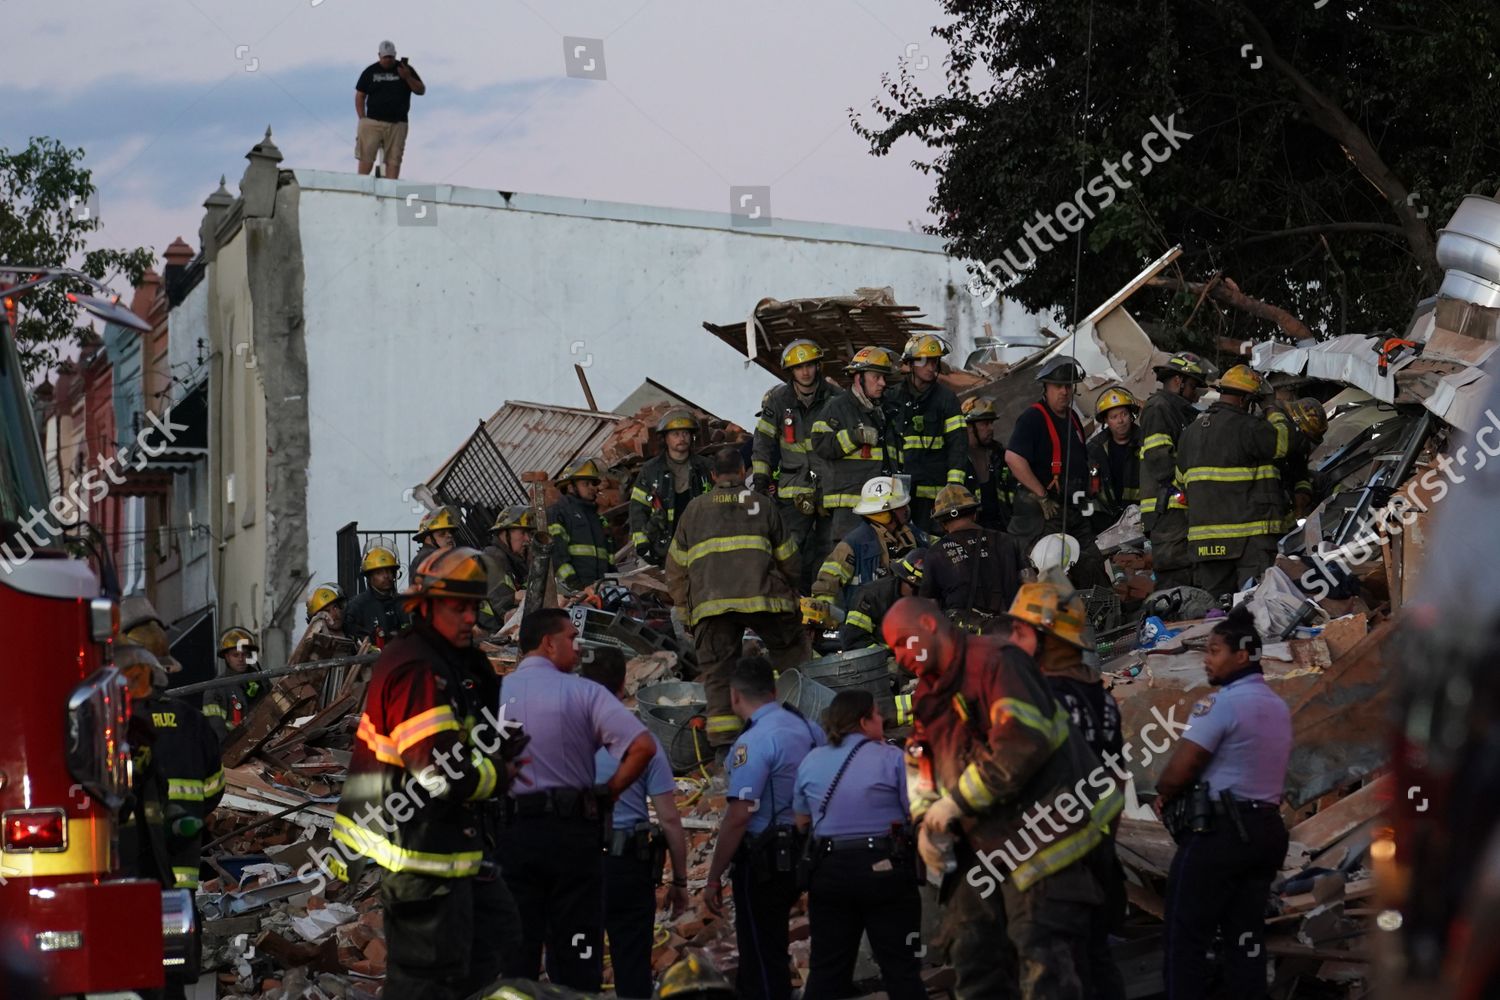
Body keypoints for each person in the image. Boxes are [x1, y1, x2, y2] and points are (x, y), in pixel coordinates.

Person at [882, 597, 1122, 1000]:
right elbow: (919, 760)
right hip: (985, 847)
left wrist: (953, 803)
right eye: (893, 651)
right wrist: (925, 819)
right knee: (974, 962)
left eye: (904, 643)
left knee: (1047, 969)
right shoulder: (928, 693)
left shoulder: (996, 662)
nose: (900, 657)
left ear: (929, 623)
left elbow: (1020, 743)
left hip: (1045, 839)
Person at [330, 546, 526, 999]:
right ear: (426, 605)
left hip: (454, 848)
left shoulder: (457, 663)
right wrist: (501, 772)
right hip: (418, 855)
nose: (470, 619)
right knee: (427, 982)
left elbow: (469, 740)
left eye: (474, 607)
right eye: (457, 607)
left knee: (499, 945)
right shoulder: (417, 668)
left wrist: (495, 746)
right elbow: (435, 774)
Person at [499, 608, 658, 992]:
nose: (578, 646)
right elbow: (643, 746)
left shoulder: (495, 695)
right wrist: (609, 793)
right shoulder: (583, 693)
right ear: (548, 643)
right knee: (576, 946)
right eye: (571, 638)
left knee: (517, 951)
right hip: (573, 836)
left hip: (512, 836)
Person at [1156, 605, 1291, 1000]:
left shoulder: (1221, 703)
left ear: (1242, 656)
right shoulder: (1278, 706)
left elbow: (1180, 770)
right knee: (1246, 936)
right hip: (1266, 832)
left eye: (1214, 651)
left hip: (1221, 834)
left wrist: (1165, 793)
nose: (1206, 659)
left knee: (1186, 936)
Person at [1004, 579, 1126, 1000]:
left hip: (1052, 863)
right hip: (1097, 852)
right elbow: (1117, 778)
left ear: (1048, 635)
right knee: (1094, 958)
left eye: (1022, 631)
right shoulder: (1100, 698)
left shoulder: (1040, 699)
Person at [667, 447, 809, 755]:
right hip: (765, 598)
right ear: (744, 472)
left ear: (713, 476)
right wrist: (793, 591)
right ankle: (805, 722)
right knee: (792, 656)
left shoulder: (693, 510)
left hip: (710, 605)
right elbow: (789, 558)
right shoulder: (762, 505)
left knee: (718, 676)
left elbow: (675, 567)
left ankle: (724, 751)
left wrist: (685, 611)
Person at [703, 656, 826, 1000]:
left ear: (734, 697)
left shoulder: (753, 742)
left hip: (765, 858)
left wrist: (714, 875)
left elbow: (740, 814)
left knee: (761, 951)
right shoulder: (808, 727)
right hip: (809, 849)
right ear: (773, 690)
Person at [794, 690, 925, 1000]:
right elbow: (918, 812)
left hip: (829, 873)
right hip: (886, 872)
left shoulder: (810, 761)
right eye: (878, 715)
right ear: (864, 721)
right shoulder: (892, 758)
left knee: (827, 970)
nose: (883, 720)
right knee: (902, 968)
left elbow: (800, 823)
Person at [581, 648, 692, 1000]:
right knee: (632, 964)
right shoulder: (643, 741)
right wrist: (679, 879)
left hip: (576, 865)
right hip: (628, 865)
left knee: (576, 961)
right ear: (623, 685)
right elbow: (671, 819)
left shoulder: (563, 739)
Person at [116, 641, 222, 1000]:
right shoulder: (191, 719)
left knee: (134, 946)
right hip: (182, 857)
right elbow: (215, 784)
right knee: (172, 947)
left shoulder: (118, 725)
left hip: (129, 865)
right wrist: (193, 810)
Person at [1175, 364, 1301, 596]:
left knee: (1215, 611)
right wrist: (1271, 408)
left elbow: (1180, 482)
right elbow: (1285, 443)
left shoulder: (1189, 433)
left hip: (1205, 545)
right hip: (1249, 542)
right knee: (1255, 605)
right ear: (1246, 401)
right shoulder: (1249, 427)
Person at [1004, 356, 1110, 587]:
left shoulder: (1072, 418)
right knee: (1050, 574)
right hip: (1044, 515)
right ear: (1046, 387)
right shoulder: (1033, 418)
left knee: (1091, 564)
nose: (1064, 392)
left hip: (1073, 510)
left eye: (1068, 386)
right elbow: (1013, 458)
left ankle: (1098, 613)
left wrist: (1088, 502)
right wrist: (1041, 495)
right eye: (1058, 386)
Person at [751, 339, 842, 592]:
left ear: (818, 366)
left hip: (830, 488)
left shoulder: (836, 398)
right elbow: (763, 443)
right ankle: (789, 602)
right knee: (790, 548)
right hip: (793, 489)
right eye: (799, 367)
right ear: (790, 371)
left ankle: (823, 602)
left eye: (810, 365)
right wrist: (761, 479)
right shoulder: (779, 401)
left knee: (828, 548)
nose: (805, 372)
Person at [1138, 352, 1212, 588]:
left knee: (1187, 571)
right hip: (1167, 510)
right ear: (1178, 382)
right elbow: (1161, 462)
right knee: (1174, 574)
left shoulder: (1177, 410)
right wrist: (1192, 486)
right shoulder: (1158, 408)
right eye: (1192, 386)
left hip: (1178, 510)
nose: (1194, 394)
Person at [812, 347, 899, 541]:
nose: (883, 383)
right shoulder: (838, 407)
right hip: (850, 504)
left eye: (884, 378)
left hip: (882, 500)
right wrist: (853, 437)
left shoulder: (885, 410)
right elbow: (820, 443)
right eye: (876, 377)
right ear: (858, 377)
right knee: (848, 557)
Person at [811, 476, 928, 617]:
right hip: (867, 623)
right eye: (900, 506)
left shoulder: (912, 535)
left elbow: (940, 547)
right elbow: (825, 586)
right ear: (885, 513)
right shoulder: (853, 544)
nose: (906, 509)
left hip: (908, 618)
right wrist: (830, 616)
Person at [918, 484, 1025, 635]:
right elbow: (1031, 583)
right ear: (975, 514)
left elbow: (928, 605)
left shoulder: (936, 553)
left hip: (963, 637)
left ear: (941, 523)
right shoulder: (1008, 541)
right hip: (1008, 631)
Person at [886, 334, 966, 533]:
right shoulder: (892, 397)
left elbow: (958, 444)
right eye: (925, 361)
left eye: (935, 361)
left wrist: (954, 485)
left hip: (934, 492)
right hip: (900, 491)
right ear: (911, 363)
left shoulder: (946, 399)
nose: (931, 367)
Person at [630, 409, 714, 566]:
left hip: (702, 547)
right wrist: (643, 546)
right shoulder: (650, 471)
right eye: (676, 434)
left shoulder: (705, 467)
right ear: (665, 439)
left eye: (686, 434)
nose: (682, 438)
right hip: (665, 550)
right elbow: (638, 511)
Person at [355, 40, 425, 179]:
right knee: (366, 157)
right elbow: (360, 96)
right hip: (373, 122)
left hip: (397, 123)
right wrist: (362, 118)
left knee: (394, 160)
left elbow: (420, 90)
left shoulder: (405, 69)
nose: (388, 60)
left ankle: (391, 190)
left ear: (395, 55)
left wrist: (407, 77)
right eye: (385, 57)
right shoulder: (370, 71)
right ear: (379, 56)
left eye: (391, 57)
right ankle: (361, 185)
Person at [548, 458, 616, 590]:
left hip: (599, 588)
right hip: (572, 592)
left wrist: (612, 579)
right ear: (570, 486)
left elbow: (609, 557)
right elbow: (557, 553)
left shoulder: (597, 518)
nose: (592, 488)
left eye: (593, 484)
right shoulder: (558, 513)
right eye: (586, 484)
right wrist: (574, 584)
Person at [838, 549, 925, 651]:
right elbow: (854, 641)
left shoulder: (933, 599)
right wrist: (886, 659)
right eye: (915, 588)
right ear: (903, 579)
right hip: (881, 663)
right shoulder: (871, 596)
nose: (919, 594)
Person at [1087, 386, 1142, 532]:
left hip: (1140, 517)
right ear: (1106, 421)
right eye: (1114, 417)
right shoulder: (1095, 449)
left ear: (1131, 415)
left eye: (1124, 414)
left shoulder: (1146, 443)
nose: (1120, 421)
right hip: (1106, 521)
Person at [203, 626, 267, 743]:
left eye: (245, 654)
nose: (241, 659)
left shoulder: (261, 681)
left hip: (264, 742)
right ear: (226, 657)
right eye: (235, 655)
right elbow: (215, 729)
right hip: (234, 747)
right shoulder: (216, 688)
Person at [479, 504, 534, 631]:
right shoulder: (492, 557)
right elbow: (503, 608)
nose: (528, 539)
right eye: (523, 532)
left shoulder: (514, 559)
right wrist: (516, 597)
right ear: (505, 533)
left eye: (529, 533)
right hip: (494, 633)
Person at [961, 397, 1011, 530]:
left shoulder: (999, 454)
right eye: (985, 424)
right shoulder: (957, 463)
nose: (991, 428)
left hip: (1005, 530)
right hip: (975, 536)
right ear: (969, 427)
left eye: (991, 423)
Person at [345, 545, 411, 645]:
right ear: (369, 576)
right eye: (379, 572)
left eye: (389, 571)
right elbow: (352, 637)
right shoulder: (357, 606)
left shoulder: (403, 603)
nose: (386, 576)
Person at [291, 582, 357, 665]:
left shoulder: (353, 634)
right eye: (327, 611)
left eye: (335, 607)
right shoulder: (313, 644)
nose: (334, 614)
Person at [411, 506, 461, 581]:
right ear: (428, 538)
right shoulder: (428, 558)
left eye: (451, 532)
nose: (449, 536)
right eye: (442, 533)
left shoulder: (436, 555)